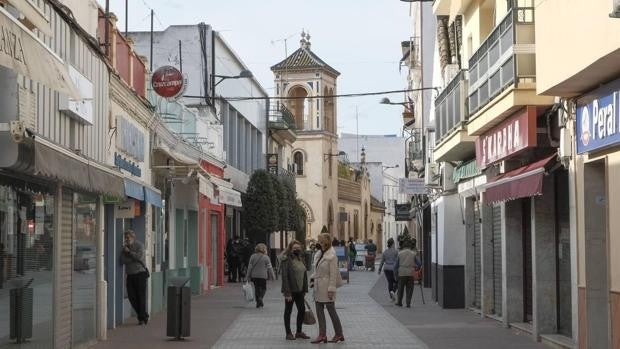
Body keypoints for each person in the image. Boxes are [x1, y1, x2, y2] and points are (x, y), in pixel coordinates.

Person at [310, 233, 344, 343]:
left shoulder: (332, 255)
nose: (318, 242)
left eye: (320, 240)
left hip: (327, 287)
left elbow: (333, 274)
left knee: (331, 311)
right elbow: (317, 271)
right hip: (318, 287)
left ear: (326, 241)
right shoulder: (319, 254)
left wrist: (331, 289)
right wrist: (312, 279)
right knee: (319, 312)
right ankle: (322, 335)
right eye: (318, 240)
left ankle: (339, 334)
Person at [280, 240, 311, 341]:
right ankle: (288, 333)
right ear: (290, 249)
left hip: (300, 290)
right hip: (290, 290)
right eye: (294, 248)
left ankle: (298, 332)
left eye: (298, 248)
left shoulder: (300, 258)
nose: (297, 250)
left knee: (301, 310)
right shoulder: (286, 259)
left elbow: (304, 275)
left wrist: (305, 289)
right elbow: (284, 276)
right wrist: (287, 293)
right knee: (288, 311)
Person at [120, 230, 149, 325]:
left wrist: (130, 253)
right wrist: (132, 257)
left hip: (140, 273)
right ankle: (143, 315)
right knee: (131, 296)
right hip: (130, 275)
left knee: (141, 296)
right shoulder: (125, 248)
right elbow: (122, 260)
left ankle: (141, 318)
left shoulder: (139, 245)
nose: (127, 239)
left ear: (133, 237)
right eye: (126, 238)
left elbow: (139, 257)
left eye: (128, 237)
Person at [245, 243, 274, 308]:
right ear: (264, 249)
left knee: (257, 288)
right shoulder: (266, 257)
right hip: (263, 276)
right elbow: (270, 267)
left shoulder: (252, 256)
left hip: (254, 276)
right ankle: (260, 298)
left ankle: (258, 302)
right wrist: (273, 276)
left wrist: (247, 276)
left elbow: (249, 267)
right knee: (264, 288)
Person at [393, 240, 419, 308]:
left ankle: (399, 302)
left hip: (401, 273)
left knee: (400, 288)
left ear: (403, 246)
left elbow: (396, 266)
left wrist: (395, 275)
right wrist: (416, 267)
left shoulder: (400, 254)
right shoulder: (413, 253)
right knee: (410, 289)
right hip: (410, 273)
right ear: (410, 246)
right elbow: (419, 263)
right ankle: (408, 303)